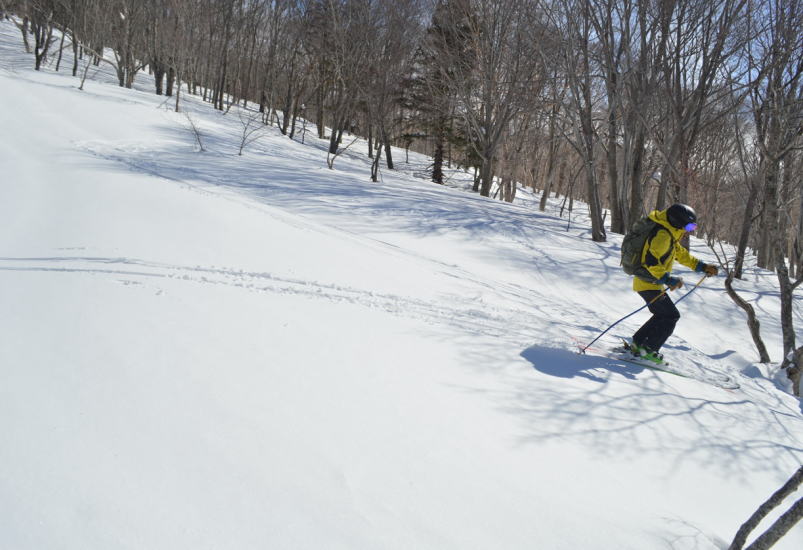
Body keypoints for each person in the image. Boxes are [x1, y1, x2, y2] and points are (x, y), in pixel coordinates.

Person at [628, 204, 718, 364]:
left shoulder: (669, 234)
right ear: (678, 221)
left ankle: (638, 343)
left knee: (662, 315)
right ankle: (649, 350)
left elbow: (681, 255)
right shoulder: (662, 235)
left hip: (650, 282)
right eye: (689, 225)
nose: (690, 229)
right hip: (648, 282)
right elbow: (651, 261)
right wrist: (667, 279)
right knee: (671, 316)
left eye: (693, 226)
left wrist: (702, 267)